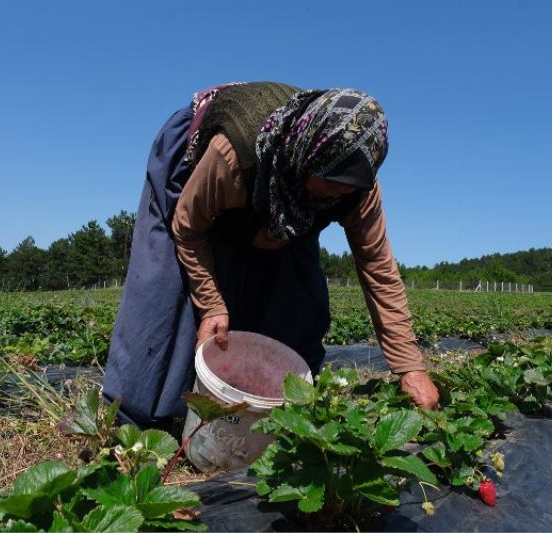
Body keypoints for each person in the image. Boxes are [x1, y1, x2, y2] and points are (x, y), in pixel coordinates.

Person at [103, 82, 438, 428]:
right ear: (308, 155)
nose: (337, 196)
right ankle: (135, 421)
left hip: (285, 206)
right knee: (165, 292)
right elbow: (188, 228)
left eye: (348, 189)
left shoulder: (356, 185)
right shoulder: (234, 154)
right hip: (202, 173)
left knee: (300, 305)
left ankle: (274, 417)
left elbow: (377, 267)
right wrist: (212, 304)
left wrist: (410, 366)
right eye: (331, 183)